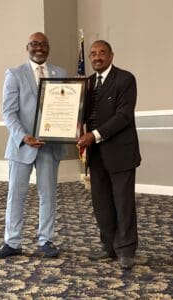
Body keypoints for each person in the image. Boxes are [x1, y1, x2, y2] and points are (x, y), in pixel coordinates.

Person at [0, 32, 66, 260]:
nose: (39, 48)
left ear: (48, 48)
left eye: (44, 44)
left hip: (50, 145)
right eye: (35, 44)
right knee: (16, 194)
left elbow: (65, 108)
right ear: (28, 47)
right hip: (22, 145)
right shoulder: (14, 74)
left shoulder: (60, 73)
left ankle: (46, 240)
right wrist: (24, 137)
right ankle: (12, 241)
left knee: (48, 194)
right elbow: (9, 112)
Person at [78, 40, 141, 269]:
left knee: (123, 203)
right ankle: (108, 246)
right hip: (95, 155)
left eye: (102, 53)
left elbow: (124, 116)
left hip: (120, 153)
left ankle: (126, 250)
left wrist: (93, 135)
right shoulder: (86, 83)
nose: (97, 57)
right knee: (101, 202)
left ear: (111, 55)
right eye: (93, 54)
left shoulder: (125, 79)